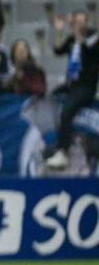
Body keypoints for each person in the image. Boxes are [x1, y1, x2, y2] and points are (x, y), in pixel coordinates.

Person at [46, 11, 99, 170]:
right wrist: (59, 31)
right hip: (71, 84)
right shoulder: (72, 39)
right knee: (51, 98)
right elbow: (57, 49)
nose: (77, 23)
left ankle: (63, 151)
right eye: (75, 20)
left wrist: (77, 32)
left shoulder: (93, 37)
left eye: (80, 20)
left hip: (86, 86)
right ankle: (53, 143)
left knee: (67, 110)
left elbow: (88, 48)